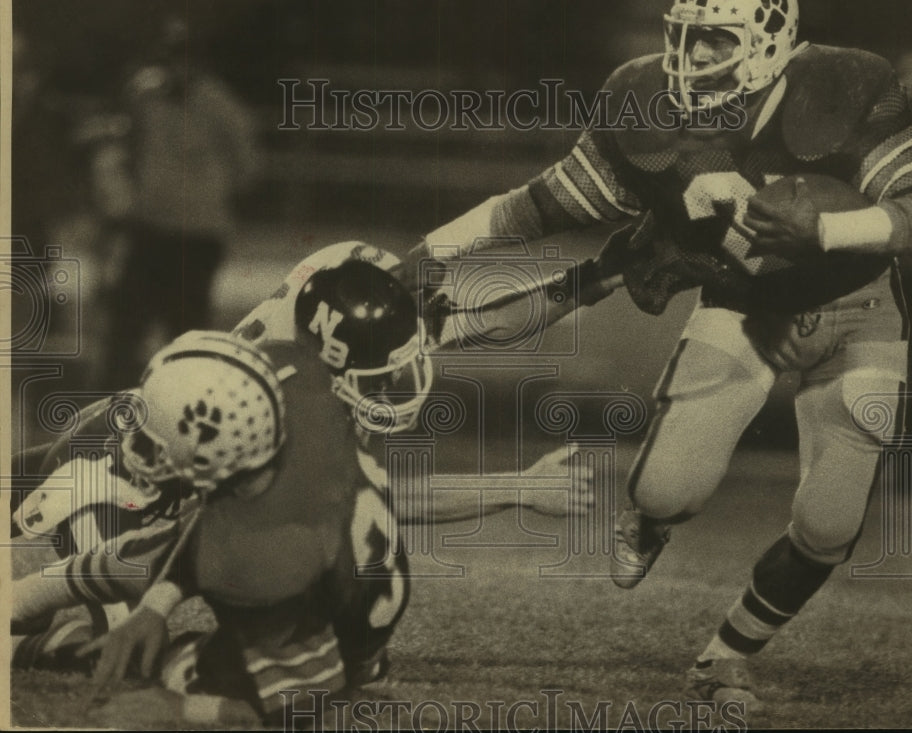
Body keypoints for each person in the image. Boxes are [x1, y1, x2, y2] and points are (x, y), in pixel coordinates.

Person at [396, 0, 912, 711]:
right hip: (738, 306)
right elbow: (541, 209)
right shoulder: (644, 117)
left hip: (857, 308)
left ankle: (725, 655)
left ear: (769, 37)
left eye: (715, 41)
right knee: (668, 487)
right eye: (684, 39)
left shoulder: (847, 84)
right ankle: (649, 516)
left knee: (828, 525)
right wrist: (436, 252)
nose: (692, 59)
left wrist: (824, 228)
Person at [12, 251, 591, 726]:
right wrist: (516, 486)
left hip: (192, 499)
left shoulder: (316, 376)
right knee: (117, 635)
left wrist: (595, 277)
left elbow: (481, 321)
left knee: (163, 607)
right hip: (116, 476)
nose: (397, 379)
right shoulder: (288, 401)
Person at [100, 13, 261, 390]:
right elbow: (125, 146)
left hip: (197, 235)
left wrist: (206, 191)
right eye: (170, 56)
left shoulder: (221, 105)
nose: (177, 65)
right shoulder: (143, 96)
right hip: (151, 228)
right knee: (126, 321)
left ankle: (182, 401)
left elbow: (248, 167)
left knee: (186, 328)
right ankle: (112, 403)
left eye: (185, 56)